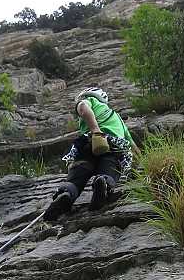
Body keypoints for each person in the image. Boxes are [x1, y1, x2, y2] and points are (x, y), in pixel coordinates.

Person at [43, 86, 137, 221]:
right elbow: (133, 146)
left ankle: (67, 193)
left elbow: (82, 107)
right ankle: (103, 182)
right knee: (108, 169)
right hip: (114, 148)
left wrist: (96, 130)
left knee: (76, 179)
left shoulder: (91, 101)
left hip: (88, 144)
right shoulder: (119, 119)